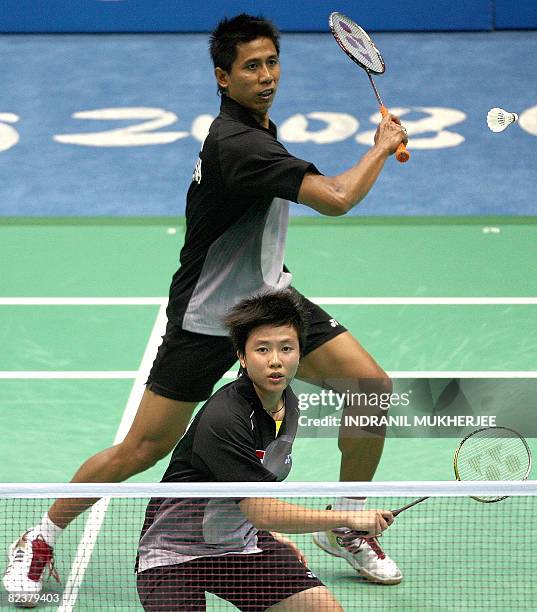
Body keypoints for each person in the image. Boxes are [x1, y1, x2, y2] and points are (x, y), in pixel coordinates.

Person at [3, 13, 407, 600]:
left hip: (269, 298)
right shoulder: (237, 143)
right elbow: (337, 198)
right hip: (209, 315)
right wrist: (382, 147)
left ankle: (347, 522)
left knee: (369, 387)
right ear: (223, 77)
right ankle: (40, 536)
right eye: (251, 67)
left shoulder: (257, 129)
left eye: (272, 63)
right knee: (144, 449)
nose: (266, 76)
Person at [136, 290, 395, 611]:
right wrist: (346, 518)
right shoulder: (225, 417)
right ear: (242, 357)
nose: (275, 360)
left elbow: (245, 490)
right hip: (174, 554)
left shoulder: (288, 405)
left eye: (287, 349)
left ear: (301, 354)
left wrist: (264, 533)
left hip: (241, 546)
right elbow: (260, 508)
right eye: (262, 349)